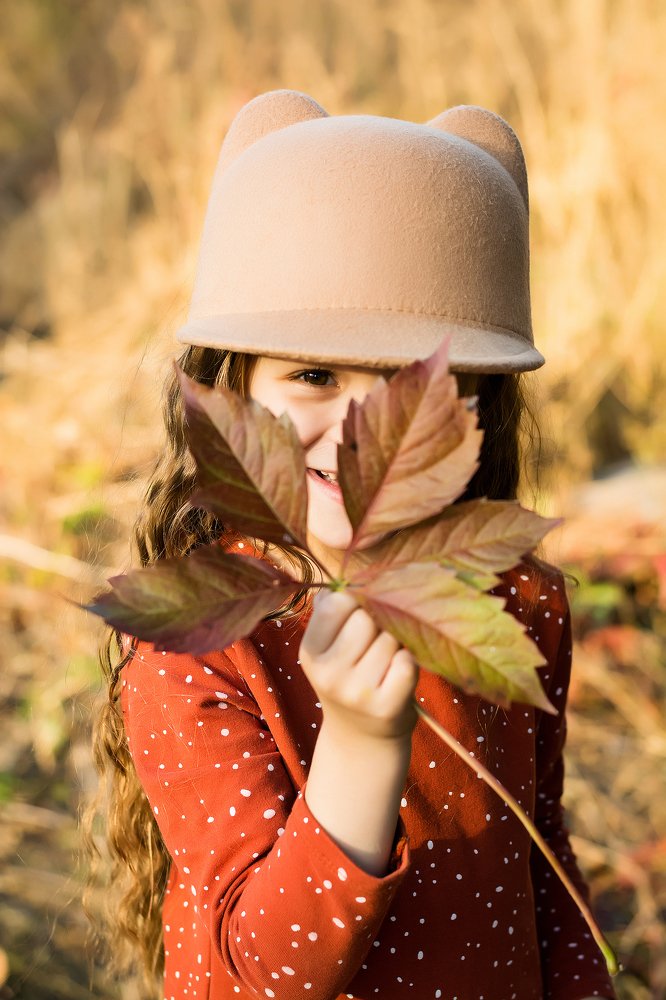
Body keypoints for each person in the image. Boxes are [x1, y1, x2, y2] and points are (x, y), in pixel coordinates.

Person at [86, 89, 617, 1000]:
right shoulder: (199, 647)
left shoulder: (521, 602)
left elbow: (544, 867)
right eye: (314, 374)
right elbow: (258, 976)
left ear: (480, 406)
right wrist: (364, 744)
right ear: (234, 390)